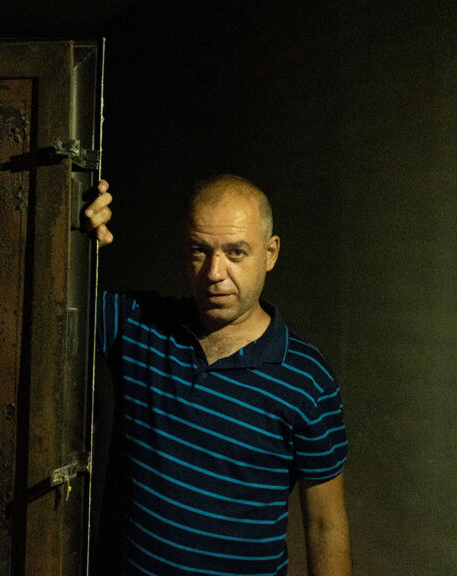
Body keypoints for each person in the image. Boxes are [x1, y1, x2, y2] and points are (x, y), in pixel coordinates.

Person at [83, 175, 351, 576]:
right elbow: (46, 302)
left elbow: (325, 525)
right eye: (200, 250)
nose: (214, 273)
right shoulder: (136, 325)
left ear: (270, 252)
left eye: (236, 252)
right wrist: (74, 232)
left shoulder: (306, 378)